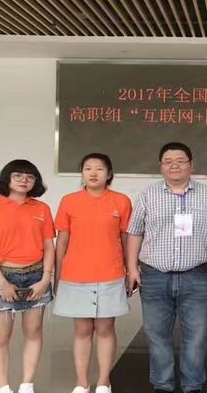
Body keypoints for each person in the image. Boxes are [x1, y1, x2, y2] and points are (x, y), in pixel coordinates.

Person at [126, 142, 207, 393]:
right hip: (155, 275)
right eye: (168, 161)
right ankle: (163, 384)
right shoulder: (148, 195)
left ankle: (193, 385)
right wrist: (132, 268)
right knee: (157, 335)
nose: (174, 165)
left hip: (196, 275)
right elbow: (134, 232)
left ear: (191, 165)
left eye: (180, 160)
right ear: (161, 166)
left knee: (196, 336)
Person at [0, 159, 55, 393]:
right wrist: (2, 283)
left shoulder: (42, 209)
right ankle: (3, 387)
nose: (24, 180)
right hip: (4, 276)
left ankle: (27, 384)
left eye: (30, 177)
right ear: (7, 178)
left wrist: (46, 278)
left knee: (33, 332)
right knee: (1, 336)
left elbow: (49, 246)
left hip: (36, 275)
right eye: (18, 175)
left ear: (35, 182)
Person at [53, 153, 132, 393]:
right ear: (82, 173)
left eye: (99, 169)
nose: (93, 173)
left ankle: (104, 381)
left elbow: (127, 239)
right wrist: (57, 275)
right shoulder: (69, 201)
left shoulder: (121, 201)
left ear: (109, 174)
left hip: (111, 273)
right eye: (88, 168)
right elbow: (62, 241)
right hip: (76, 275)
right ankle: (82, 383)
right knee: (82, 330)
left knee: (106, 329)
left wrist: (130, 270)